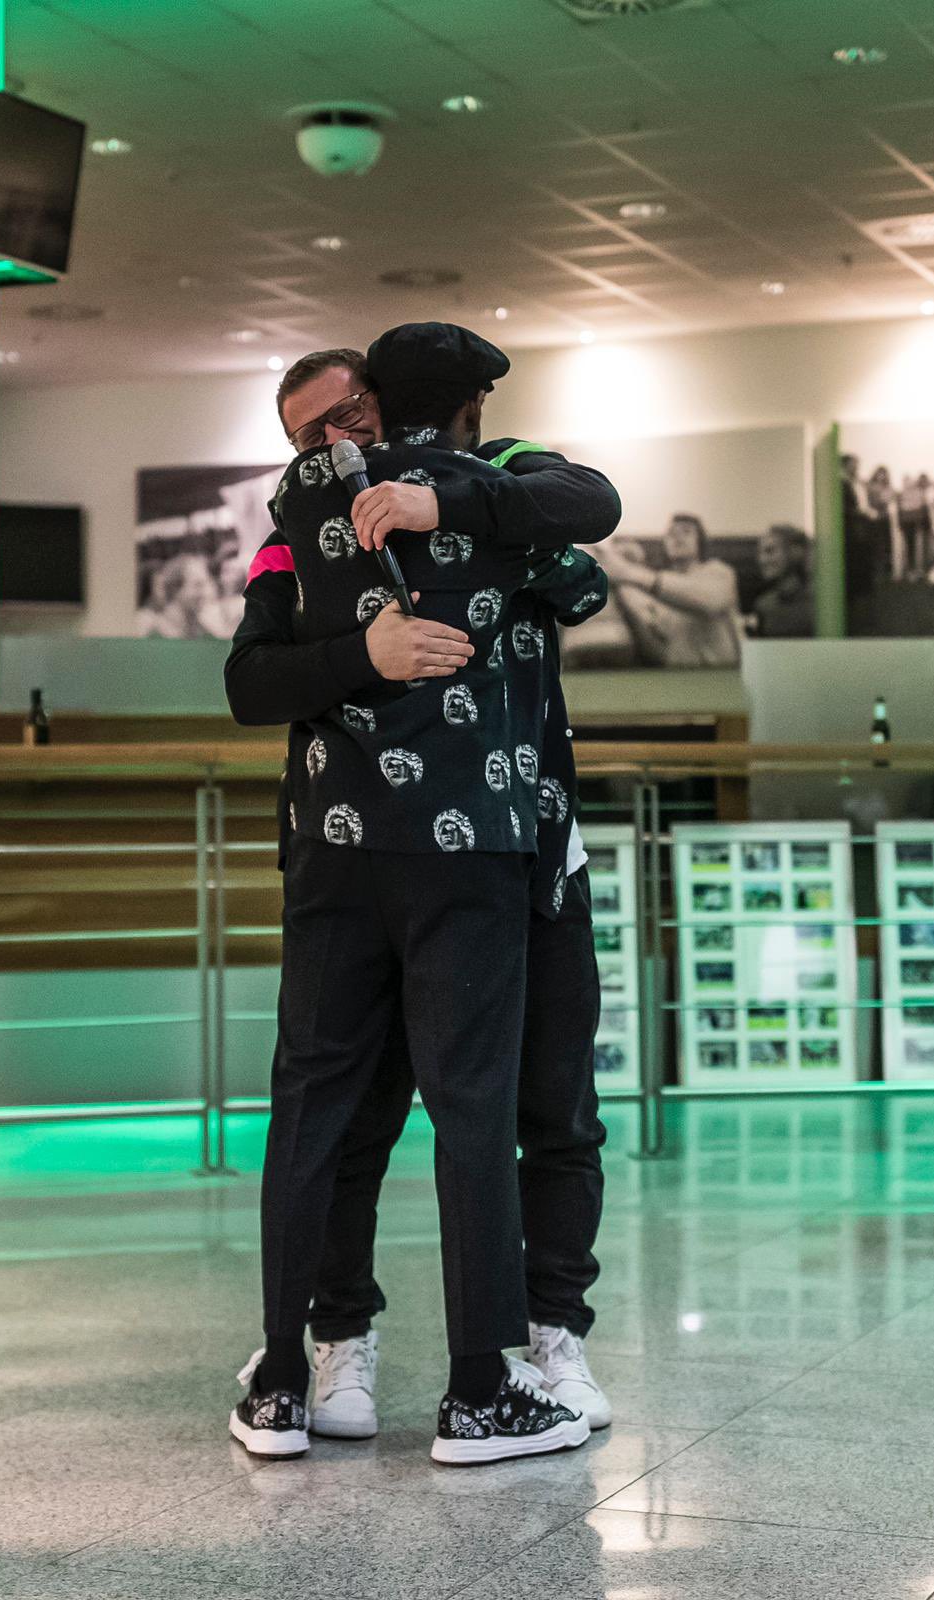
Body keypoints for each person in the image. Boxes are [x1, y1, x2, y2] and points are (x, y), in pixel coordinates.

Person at [226, 325, 618, 1467]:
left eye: (349, 415)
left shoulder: (498, 483)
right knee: (404, 1114)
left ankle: (537, 1340)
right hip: (433, 855)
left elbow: (585, 537)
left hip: (518, 850)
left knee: (533, 1109)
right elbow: (251, 680)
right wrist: (371, 649)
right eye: (310, 434)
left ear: (385, 396)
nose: (338, 443)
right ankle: (381, 1358)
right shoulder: (300, 526)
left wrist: (443, 502)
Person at [603, 514, 742, 667]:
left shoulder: (718, 572)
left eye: (686, 531)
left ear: (700, 542)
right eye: (671, 533)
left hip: (722, 674)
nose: (677, 536)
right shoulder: (660, 591)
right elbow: (658, 652)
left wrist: (627, 571)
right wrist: (621, 589)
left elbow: (710, 601)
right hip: (678, 676)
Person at [752, 523, 814, 638]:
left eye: (770, 551)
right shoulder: (764, 605)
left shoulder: (821, 602)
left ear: (795, 552)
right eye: (759, 553)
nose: (762, 560)